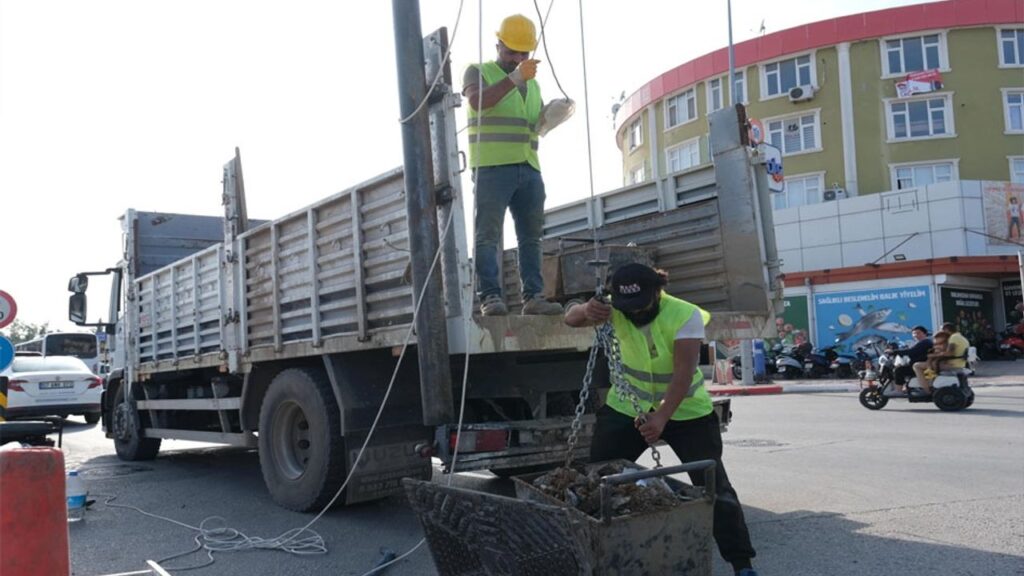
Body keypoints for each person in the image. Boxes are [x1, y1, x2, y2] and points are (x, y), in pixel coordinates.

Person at [564, 263, 758, 576]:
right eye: (628, 307)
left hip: (687, 411)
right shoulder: (615, 309)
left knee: (714, 486)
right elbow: (570, 318)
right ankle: (590, 554)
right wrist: (585, 309)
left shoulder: (685, 314)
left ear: (658, 291)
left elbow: (683, 371)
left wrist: (662, 417)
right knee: (597, 479)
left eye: (641, 305)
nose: (635, 313)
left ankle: (742, 563)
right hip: (626, 408)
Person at [463, 14, 563, 316]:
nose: (518, 58)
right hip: (492, 168)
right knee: (487, 234)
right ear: (499, 45)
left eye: (524, 53)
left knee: (531, 236)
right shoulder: (478, 72)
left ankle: (533, 297)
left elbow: (532, 125)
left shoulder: (533, 85)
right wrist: (516, 78)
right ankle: (490, 297)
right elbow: (478, 102)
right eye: (511, 52)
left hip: (529, 167)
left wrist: (551, 116)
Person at [912, 322, 970, 394]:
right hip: (959, 363)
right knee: (928, 364)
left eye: (941, 330)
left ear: (946, 329)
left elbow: (949, 353)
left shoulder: (953, 337)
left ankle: (926, 390)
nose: (940, 332)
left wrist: (932, 355)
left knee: (916, 365)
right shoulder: (961, 337)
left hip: (951, 364)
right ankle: (930, 383)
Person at [893, 325, 932, 393]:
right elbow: (910, 350)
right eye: (914, 333)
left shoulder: (925, 342)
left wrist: (894, 352)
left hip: (922, 366)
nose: (916, 335)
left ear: (924, 333)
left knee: (899, 370)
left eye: (918, 333)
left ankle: (898, 391)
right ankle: (906, 387)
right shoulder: (920, 343)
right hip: (919, 364)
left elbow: (911, 351)